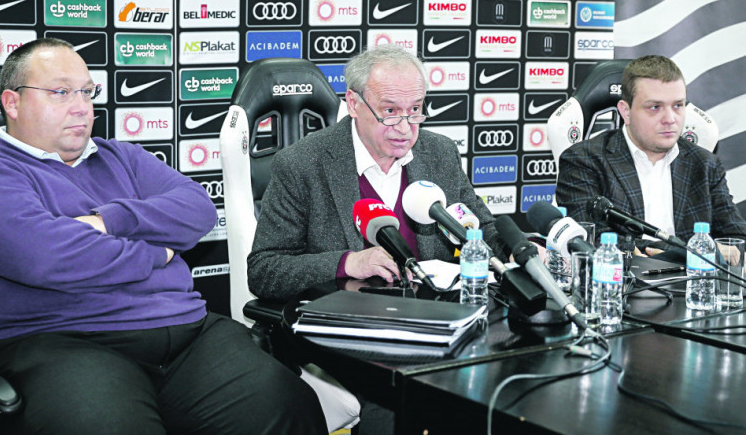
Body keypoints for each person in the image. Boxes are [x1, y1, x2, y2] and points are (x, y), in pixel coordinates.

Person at [0, 38, 326, 435]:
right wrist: (158, 254)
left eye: (87, 92)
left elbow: (197, 209)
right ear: (12, 103)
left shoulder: (122, 157)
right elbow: (48, 256)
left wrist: (107, 221)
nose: (81, 107)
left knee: (287, 405)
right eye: (61, 92)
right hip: (66, 340)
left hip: (188, 335)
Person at [248, 44, 509, 300]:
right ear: (353, 104)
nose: (405, 129)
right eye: (390, 111)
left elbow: (482, 230)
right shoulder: (301, 164)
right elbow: (264, 270)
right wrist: (347, 263)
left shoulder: (440, 153)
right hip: (349, 317)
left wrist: (516, 252)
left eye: (415, 110)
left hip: (433, 314)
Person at [556, 55, 746, 254]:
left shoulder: (705, 164)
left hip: (693, 275)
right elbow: (590, 240)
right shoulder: (583, 160)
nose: (670, 119)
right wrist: (692, 252)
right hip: (624, 275)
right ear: (626, 111)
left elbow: (737, 240)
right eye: (655, 107)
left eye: (678, 106)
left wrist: (713, 252)